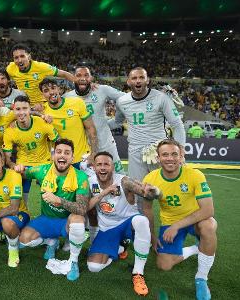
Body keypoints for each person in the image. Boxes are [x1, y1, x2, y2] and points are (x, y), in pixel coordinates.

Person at [142, 139, 217, 300]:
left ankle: (201, 279)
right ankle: (197, 249)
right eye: (165, 154)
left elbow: (208, 210)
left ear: (181, 156)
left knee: (209, 225)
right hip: (169, 222)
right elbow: (147, 209)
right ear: (158, 157)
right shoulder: (150, 178)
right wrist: (152, 237)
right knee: (164, 265)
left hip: (195, 220)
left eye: (174, 154)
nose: (170, 158)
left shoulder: (195, 175)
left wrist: (177, 225)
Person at [86, 151, 161, 296]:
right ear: (94, 167)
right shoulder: (89, 182)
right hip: (107, 228)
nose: (102, 168)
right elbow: (86, 208)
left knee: (141, 221)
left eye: (106, 164)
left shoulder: (124, 181)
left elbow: (147, 193)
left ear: (112, 167)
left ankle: (138, 273)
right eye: (99, 164)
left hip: (128, 224)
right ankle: (120, 246)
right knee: (93, 267)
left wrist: (153, 191)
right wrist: (104, 192)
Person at [18, 139, 88, 282]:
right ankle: (51, 241)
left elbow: (82, 208)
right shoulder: (42, 170)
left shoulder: (81, 177)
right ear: (53, 155)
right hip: (46, 219)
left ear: (72, 158)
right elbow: (24, 173)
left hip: (66, 221)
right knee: (24, 240)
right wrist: (18, 168)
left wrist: (59, 201)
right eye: (59, 152)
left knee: (78, 219)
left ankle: (73, 262)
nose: (62, 156)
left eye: (67, 153)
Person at [110, 67, 186, 194]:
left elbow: (177, 124)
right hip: (135, 152)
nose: (138, 81)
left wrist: (181, 150)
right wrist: (97, 123)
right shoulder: (122, 101)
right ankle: (140, 214)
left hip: (159, 150)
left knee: (170, 190)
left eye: (141, 77)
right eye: (134, 78)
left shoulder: (161, 98)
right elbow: (116, 122)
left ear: (147, 80)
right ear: (128, 82)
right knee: (138, 191)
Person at [64, 66, 126, 173]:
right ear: (73, 78)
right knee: (88, 184)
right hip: (83, 150)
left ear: (91, 78)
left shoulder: (102, 90)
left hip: (106, 144)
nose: (83, 78)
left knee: (118, 177)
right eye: (78, 75)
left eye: (86, 75)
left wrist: (117, 121)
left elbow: (126, 99)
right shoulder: (66, 98)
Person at [3, 96, 59, 204]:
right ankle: (24, 214)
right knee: (19, 197)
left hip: (44, 163)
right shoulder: (10, 131)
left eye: (25, 108)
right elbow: (8, 159)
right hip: (24, 164)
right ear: (13, 110)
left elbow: (58, 143)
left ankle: (49, 214)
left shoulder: (42, 122)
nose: (21, 112)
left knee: (50, 196)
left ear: (30, 110)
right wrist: (14, 166)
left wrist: (54, 155)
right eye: (18, 109)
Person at [40, 77, 99, 166]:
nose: (51, 92)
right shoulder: (42, 112)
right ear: (42, 95)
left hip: (82, 158)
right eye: (46, 90)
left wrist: (94, 153)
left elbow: (91, 129)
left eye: (53, 88)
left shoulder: (77, 103)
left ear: (59, 89)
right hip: (60, 162)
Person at [6, 44, 76, 110]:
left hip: (43, 105)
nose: (19, 60)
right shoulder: (11, 68)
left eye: (22, 56)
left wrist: (78, 87)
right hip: (24, 105)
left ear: (29, 57)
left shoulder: (41, 67)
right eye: (16, 58)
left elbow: (64, 74)